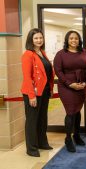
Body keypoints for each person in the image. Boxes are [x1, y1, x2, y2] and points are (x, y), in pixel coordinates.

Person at [54, 30, 86, 152]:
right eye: (71, 38)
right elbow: (58, 71)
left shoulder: (85, 52)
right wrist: (70, 84)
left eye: (76, 38)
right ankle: (68, 138)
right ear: (67, 40)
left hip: (81, 86)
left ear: (79, 40)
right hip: (66, 87)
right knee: (71, 112)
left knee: (77, 110)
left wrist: (85, 83)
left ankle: (76, 135)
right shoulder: (60, 54)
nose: (74, 40)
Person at [21, 28, 54, 157]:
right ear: (31, 40)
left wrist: (50, 89)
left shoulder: (42, 52)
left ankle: (42, 143)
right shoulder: (28, 54)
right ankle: (31, 148)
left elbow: (47, 73)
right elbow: (27, 77)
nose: (39, 40)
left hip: (44, 91)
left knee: (42, 119)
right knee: (32, 120)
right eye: (36, 38)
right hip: (33, 93)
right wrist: (31, 95)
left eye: (40, 38)